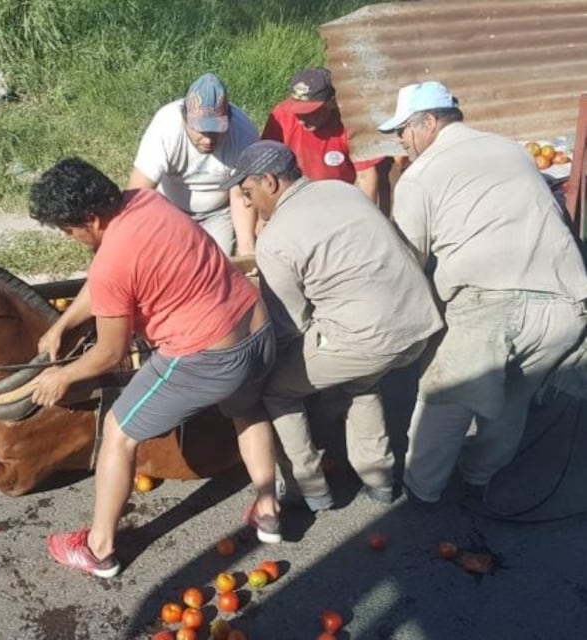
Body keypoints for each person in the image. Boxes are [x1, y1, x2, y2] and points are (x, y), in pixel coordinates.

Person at [29, 157, 280, 578]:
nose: (67, 237)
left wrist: (64, 375)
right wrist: (64, 323)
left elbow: (110, 353)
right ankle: (269, 509)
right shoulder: (146, 202)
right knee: (246, 408)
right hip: (256, 329)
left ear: (90, 218)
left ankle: (99, 549)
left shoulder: (112, 261)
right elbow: (106, 277)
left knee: (118, 430)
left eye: (66, 229)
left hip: (206, 356)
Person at [378, 80, 587, 508]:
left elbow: (408, 262)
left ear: (429, 122)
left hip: (491, 304)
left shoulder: (418, 177)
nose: (400, 139)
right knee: (514, 397)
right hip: (567, 303)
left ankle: (423, 489)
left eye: (403, 129)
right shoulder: (509, 149)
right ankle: (478, 478)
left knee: (447, 397)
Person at [220, 140, 443, 511]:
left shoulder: (276, 239)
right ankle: (379, 479)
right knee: (362, 379)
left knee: (277, 388)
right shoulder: (341, 190)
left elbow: (290, 324)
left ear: (270, 182)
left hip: (369, 338)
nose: (248, 203)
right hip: (419, 321)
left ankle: (310, 488)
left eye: (248, 192)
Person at [126, 72, 259, 257]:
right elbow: (138, 193)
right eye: (200, 130)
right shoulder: (165, 127)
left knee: (216, 265)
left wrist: (246, 249)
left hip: (218, 212)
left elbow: (240, 195)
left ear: (229, 119)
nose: (207, 139)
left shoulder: (243, 133)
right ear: (185, 119)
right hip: (170, 208)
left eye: (216, 131)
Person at [260, 67, 388, 228]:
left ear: (332, 103)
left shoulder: (351, 121)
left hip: (340, 201)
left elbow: (366, 177)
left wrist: (360, 222)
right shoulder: (282, 116)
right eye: (298, 112)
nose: (301, 120)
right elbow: (265, 168)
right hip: (294, 200)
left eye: (310, 112)